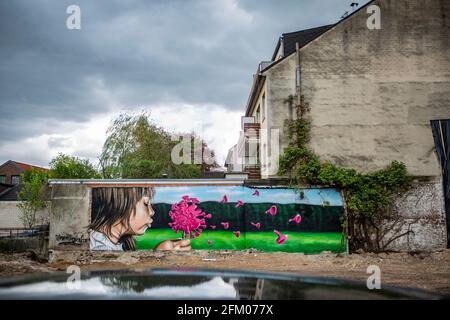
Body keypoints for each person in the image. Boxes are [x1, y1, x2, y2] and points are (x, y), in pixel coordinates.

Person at [89, 187, 191, 251]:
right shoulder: (100, 249)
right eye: (146, 204)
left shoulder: (114, 244)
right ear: (122, 206)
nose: (152, 212)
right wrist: (157, 256)